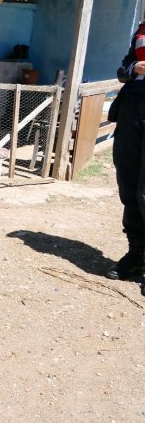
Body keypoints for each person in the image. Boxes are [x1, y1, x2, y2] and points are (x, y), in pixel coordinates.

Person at [106, 20, 145, 285]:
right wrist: (134, 67)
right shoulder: (141, 30)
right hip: (132, 108)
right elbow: (123, 68)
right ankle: (136, 254)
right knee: (129, 185)